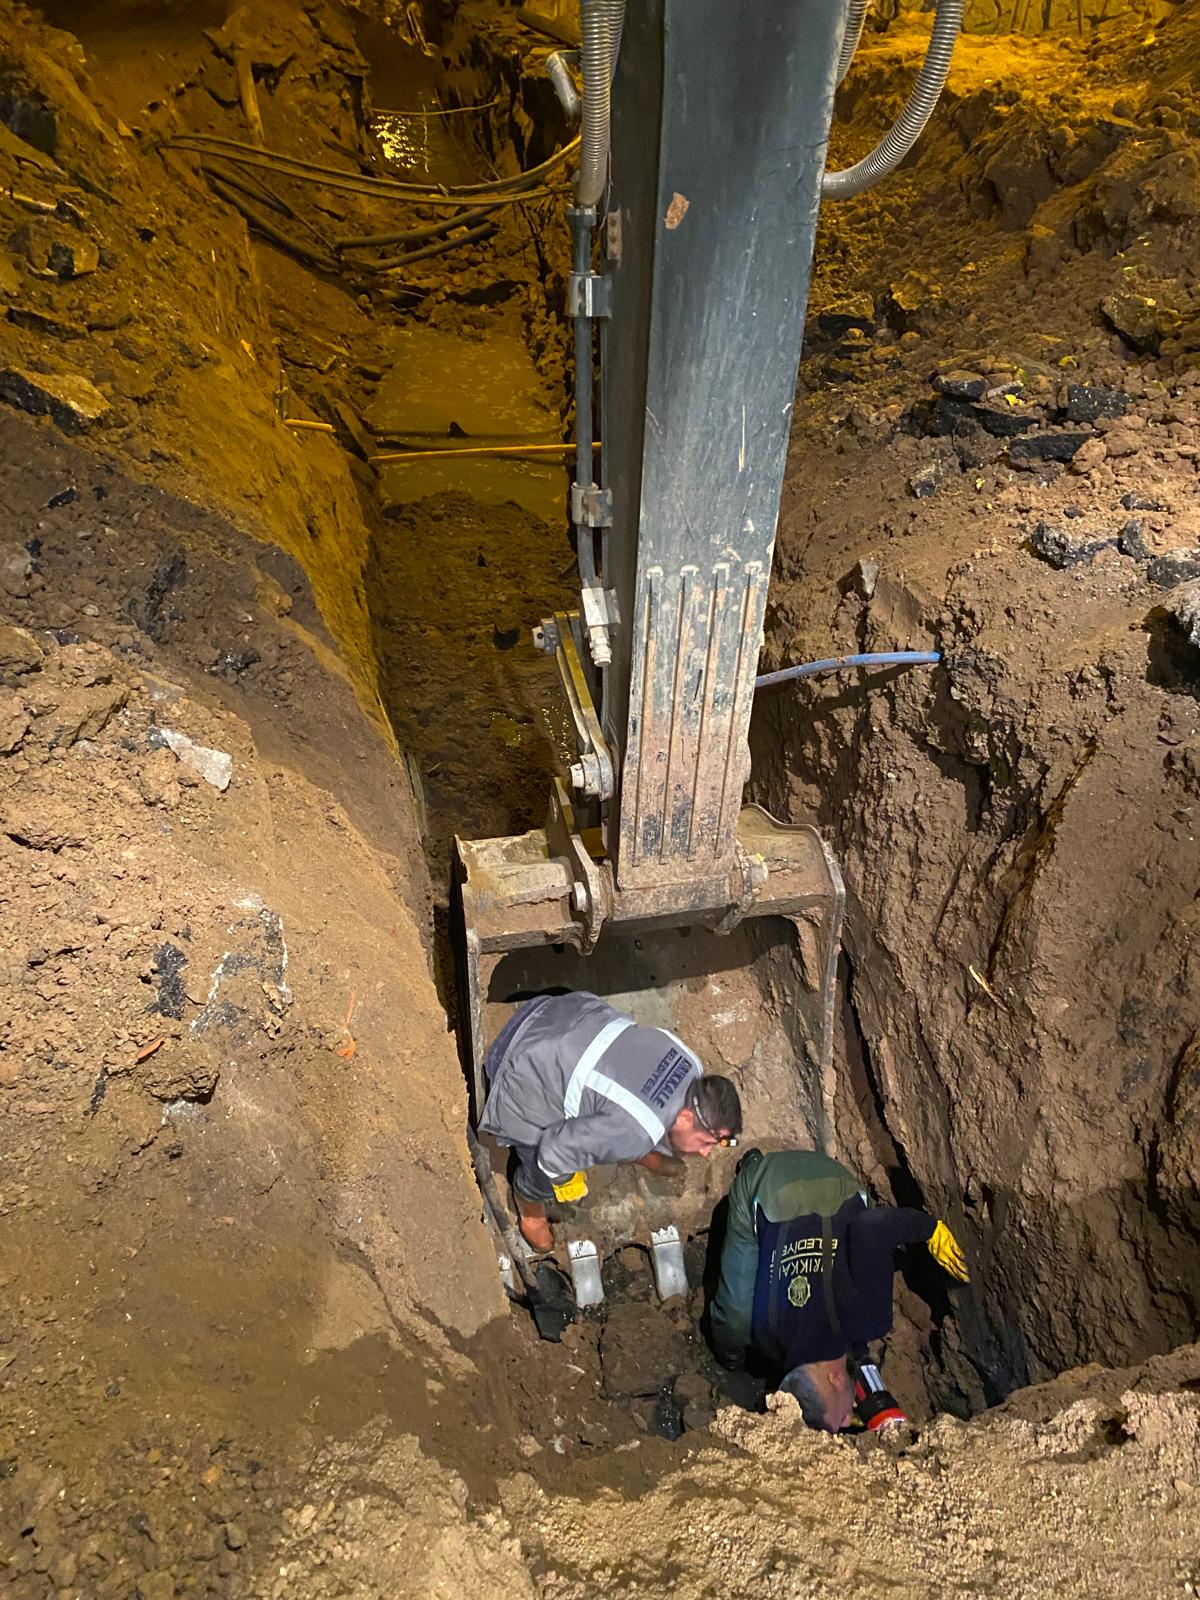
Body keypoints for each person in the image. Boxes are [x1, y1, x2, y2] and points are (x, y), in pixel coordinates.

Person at [709, 1147, 968, 1432]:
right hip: (778, 1185)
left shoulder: (870, 1320)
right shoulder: (767, 1335)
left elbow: (872, 1226)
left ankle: (752, 1168)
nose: (848, 1420)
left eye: (841, 1418)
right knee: (740, 1315)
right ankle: (755, 1167)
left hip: (826, 1186)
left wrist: (930, 1229)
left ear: (835, 1377)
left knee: (733, 1319)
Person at [478, 990, 743, 1251]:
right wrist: (563, 1180)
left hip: (557, 1014)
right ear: (686, 1118)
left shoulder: (690, 1062)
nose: (705, 1152)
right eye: (706, 1142)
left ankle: (635, 1151)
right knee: (544, 1169)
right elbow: (553, 1150)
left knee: (623, 1127)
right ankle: (530, 1208)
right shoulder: (634, 1131)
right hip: (516, 1062)